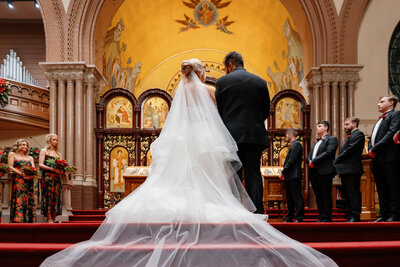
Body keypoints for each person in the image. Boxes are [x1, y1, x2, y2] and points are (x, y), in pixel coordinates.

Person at [41, 59, 337, 267]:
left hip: (182, 139)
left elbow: (176, 119)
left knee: (180, 177)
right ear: (200, 72)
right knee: (211, 177)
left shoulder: (178, 92)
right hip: (206, 139)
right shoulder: (209, 90)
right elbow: (215, 117)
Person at [215, 51, 270, 214]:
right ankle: (257, 212)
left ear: (230, 65)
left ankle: (236, 212)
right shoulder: (260, 82)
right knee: (253, 173)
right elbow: (266, 110)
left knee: (233, 175)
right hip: (255, 136)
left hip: (231, 137)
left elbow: (219, 111)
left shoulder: (223, 82)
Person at [368, 95, 400, 222]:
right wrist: (370, 148)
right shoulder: (379, 120)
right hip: (378, 159)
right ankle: (384, 214)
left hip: (390, 157)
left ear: (391, 103)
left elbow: (391, 134)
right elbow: (372, 138)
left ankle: (395, 214)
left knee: (392, 187)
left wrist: (374, 150)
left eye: (382, 102)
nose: (378, 104)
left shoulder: (396, 115)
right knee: (381, 188)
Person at [334, 118, 365, 222]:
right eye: (344, 124)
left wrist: (336, 160)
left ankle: (355, 215)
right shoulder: (349, 136)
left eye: (347, 124)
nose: (344, 127)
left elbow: (350, 150)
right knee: (347, 193)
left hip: (352, 169)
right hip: (345, 169)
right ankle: (350, 214)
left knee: (353, 192)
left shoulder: (358, 134)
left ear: (354, 124)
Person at [307, 121, 338, 222]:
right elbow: (309, 155)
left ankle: (326, 217)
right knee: (318, 195)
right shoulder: (316, 143)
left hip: (325, 171)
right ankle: (320, 216)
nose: (317, 128)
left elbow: (329, 152)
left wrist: (314, 161)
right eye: (316, 126)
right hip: (314, 172)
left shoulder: (332, 139)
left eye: (319, 126)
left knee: (325, 195)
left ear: (326, 128)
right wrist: (309, 161)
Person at [38, 134, 70, 223]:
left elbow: (63, 167)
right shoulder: (44, 151)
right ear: (49, 140)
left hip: (57, 178)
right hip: (47, 177)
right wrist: (52, 169)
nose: (55, 141)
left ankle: (54, 217)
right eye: (54, 139)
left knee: (56, 197)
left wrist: (65, 177)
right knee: (48, 196)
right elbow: (40, 164)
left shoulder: (58, 154)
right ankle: (49, 218)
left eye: (57, 140)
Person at [7, 139, 36, 223]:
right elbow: (10, 166)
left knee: (28, 197)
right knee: (19, 197)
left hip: (29, 180)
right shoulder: (12, 154)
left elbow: (33, 169)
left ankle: (29, 219)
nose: (25, 147)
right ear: (18, 145)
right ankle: (18, 219)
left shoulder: (30, 157)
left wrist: (31, 175)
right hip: (18, 179)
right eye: (23, 145)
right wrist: (21, 174)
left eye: (26, 145)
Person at [279, 129, 304, 223]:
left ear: (290, 135)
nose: (285, 138)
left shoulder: (297, 144)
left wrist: (283, 172)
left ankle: (299, 217)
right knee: (289, 198)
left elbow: (291, 161)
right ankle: (289, 217)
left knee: (297, 197)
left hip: (294, 175)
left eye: (286, 136)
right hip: (289, 176)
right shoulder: (293, 145)